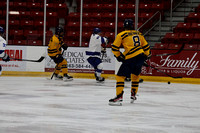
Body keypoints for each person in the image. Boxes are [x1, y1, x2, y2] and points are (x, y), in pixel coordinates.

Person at [109, 19, 151, 106]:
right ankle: (133, 94)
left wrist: (119, 56)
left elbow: (114, 48)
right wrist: (146, 56)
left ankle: (119, 97)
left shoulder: (121, 34)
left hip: (130, 58)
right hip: (140, 57)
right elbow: (146, 47)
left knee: (120, 76)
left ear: (124, 26)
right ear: (132, 26)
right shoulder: (138, 33)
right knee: (135, 76)